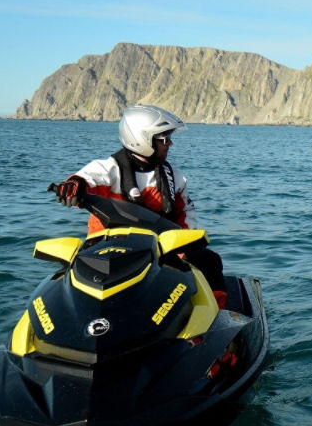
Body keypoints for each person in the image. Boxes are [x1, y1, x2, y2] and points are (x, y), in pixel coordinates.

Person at [54, 104, 227, 307]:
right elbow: (88, 178)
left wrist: (184, 246)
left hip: (156, 253)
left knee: (209, 261)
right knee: (60, 280)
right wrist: (74, 185)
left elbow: (186, 213)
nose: (170, 143)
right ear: (142, 139)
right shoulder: (111, 169)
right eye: (164, 139)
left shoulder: (175, 178)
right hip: (105, 252)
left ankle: (214, 316)